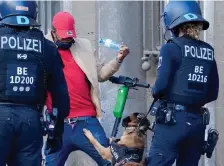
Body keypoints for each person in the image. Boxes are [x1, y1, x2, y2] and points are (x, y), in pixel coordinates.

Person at [0, 1, 70, 166]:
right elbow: (60, 93)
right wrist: (57, 130)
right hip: (31, 121)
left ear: (1, 12)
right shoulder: (47, 47)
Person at [44, 11, 130, 166]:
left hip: (86, 120)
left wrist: (118, 59)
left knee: (111, 162)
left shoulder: (84, 46)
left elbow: (100, 74)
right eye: (64, 36)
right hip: (58, 125)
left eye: (70, 36)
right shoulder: (41, 48)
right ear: (53, 32)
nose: (68, 39)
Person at [147, 1, 219, 166]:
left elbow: (160, 87)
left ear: (173, 24)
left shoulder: (171, 48)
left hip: (172, 121)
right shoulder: (208, 51)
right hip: (198, 123)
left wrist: (157, 92)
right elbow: (213, 92)